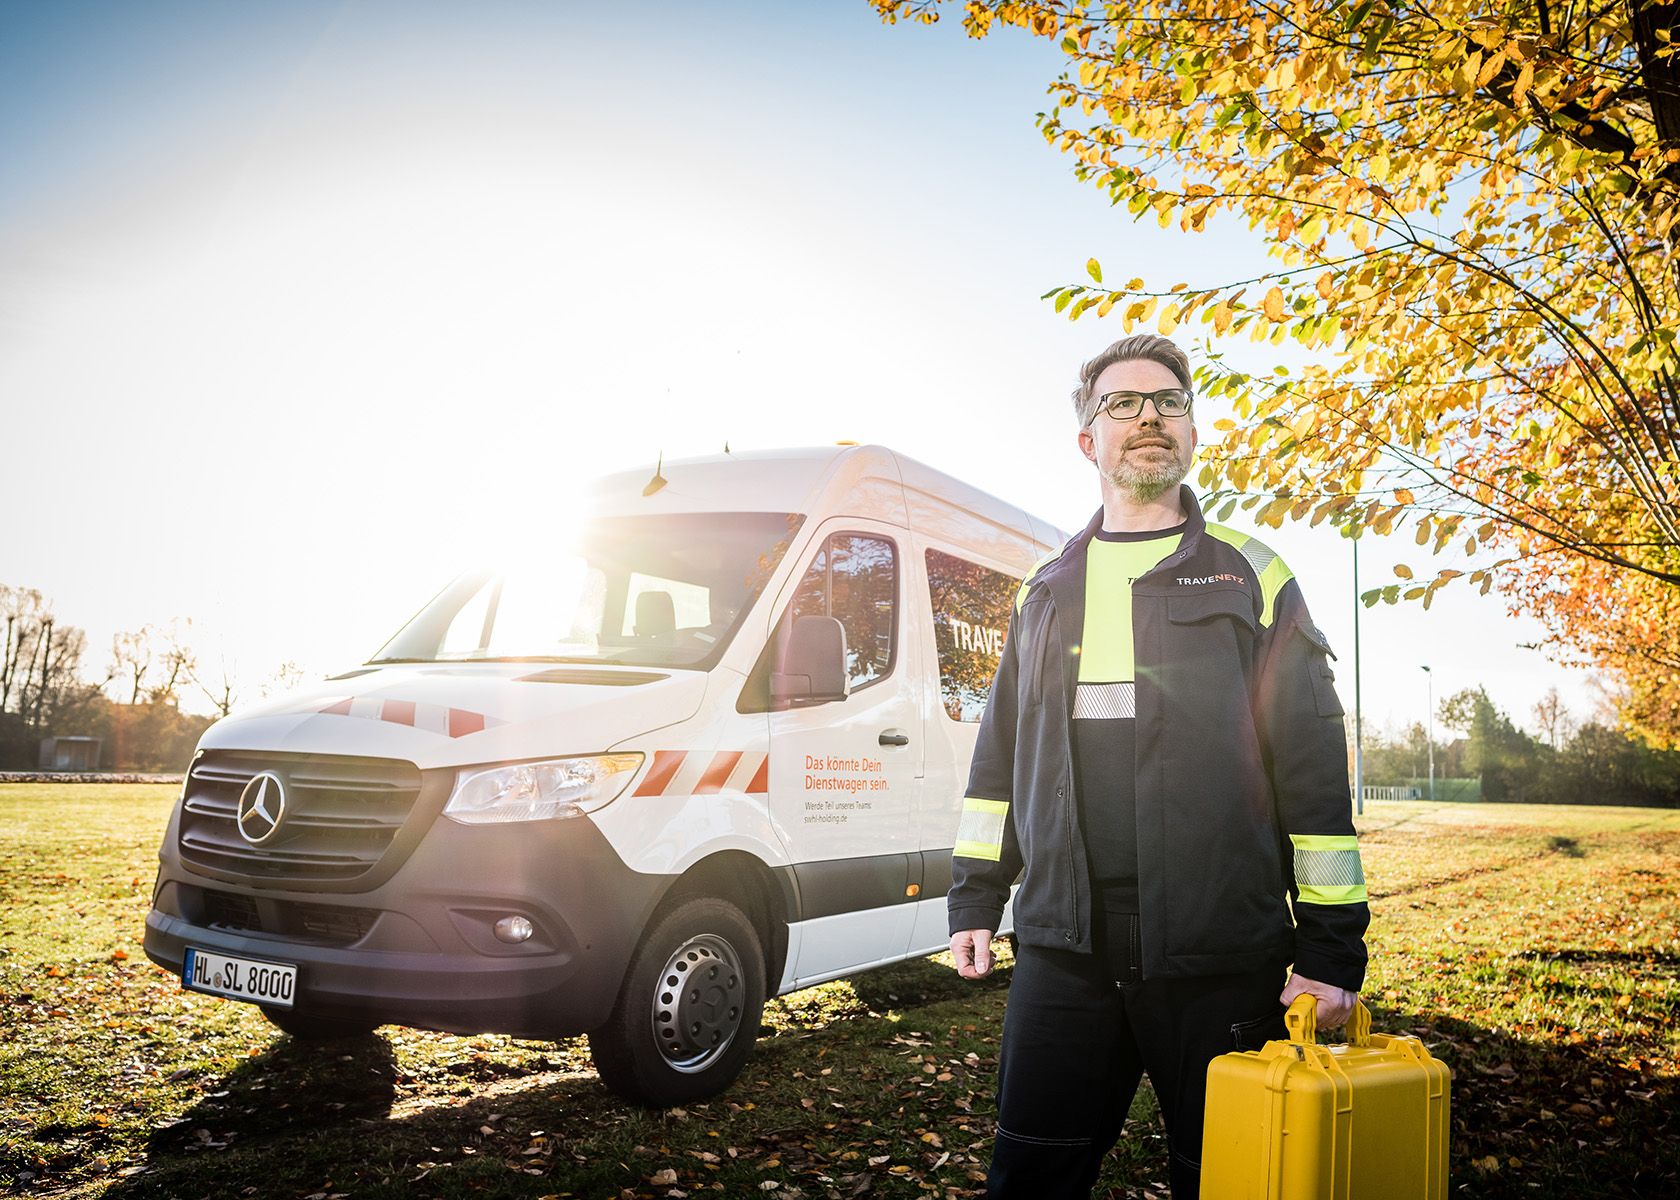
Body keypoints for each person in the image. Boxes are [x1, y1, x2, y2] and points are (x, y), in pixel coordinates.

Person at [948, 334, 1369, 1199]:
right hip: (1065, 953)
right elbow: (1000, 759)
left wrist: (1331, 953)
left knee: (1231, 1182)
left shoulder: (1252, 575)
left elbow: (1315, 775)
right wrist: (975, 895)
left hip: (1223, 957)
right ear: (1087, 441)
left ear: (1193, 430)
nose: (1148, 417)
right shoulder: (1044, 590)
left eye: (1169, 401)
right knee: (1029, 1175)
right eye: (1123, 404)